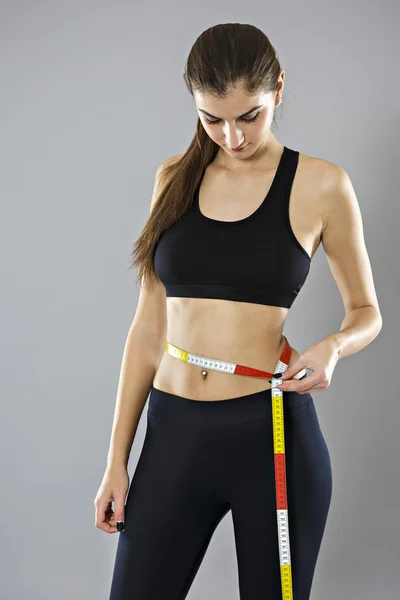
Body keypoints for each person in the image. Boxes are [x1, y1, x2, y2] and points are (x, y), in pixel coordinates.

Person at [94, 23, 383, 600]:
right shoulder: (173, 179)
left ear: (278, 87)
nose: (232, 136)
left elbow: (366, 311)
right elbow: (148, 329)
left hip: (270, 434)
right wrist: (116, 462)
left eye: (249, 115)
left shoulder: (321, 184)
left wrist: (333, 347)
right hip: (173, 434)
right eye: (212, 118)